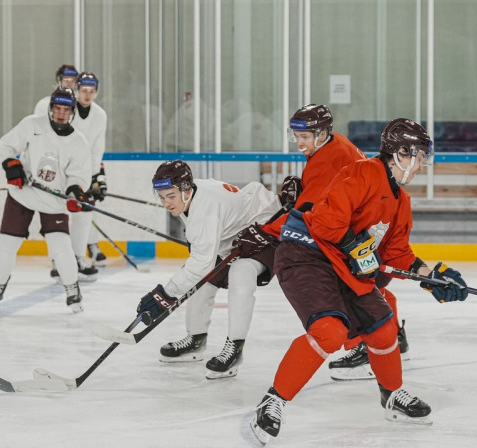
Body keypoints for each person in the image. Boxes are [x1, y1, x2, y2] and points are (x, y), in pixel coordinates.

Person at [250, 118, 469, 444]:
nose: (422, 165)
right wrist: (357, 248)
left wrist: (433, 276)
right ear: (400, 153)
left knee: (383, 325)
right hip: (307, 255)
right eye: (420, 156)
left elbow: (397, 254)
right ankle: (273, 401)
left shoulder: (402, 202)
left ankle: (392, 395)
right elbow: (325, 222)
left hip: (345, 266)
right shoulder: (363, 172)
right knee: (330, 330)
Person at [252, 104, 408, 381]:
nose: (300, 143)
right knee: (369, 287)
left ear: (323, 133)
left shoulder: (329, 157)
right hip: (366, 229)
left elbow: (309, 213)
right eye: (296, 136)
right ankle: (393, 335)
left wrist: (266, 231)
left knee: (356, 288)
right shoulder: (336, 146)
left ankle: (368, 346)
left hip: (356, 235)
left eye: (306, 136)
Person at [134, 160, 286, 380]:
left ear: (186, 190)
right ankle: (195, 340)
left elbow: (200, 264)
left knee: (240, 275)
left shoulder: (205, 209)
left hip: (265, 228)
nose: (166, 203)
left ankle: (235, 349)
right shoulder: (193, 194)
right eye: (162, 197)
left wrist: (164, 295)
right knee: (204, 282)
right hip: (236, 235)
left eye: (171, 196)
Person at [0, 86, 91, 313]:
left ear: (72, 111)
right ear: (51, 108)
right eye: (57, 108)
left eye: (66, 109)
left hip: (53, 201)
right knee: (7, 244)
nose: (61, 113)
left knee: (61, 247)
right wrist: (12, 166)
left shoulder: (79, 142)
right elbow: (6, 145)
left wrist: (75, 191)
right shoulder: (32, 124)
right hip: (23, 193)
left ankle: (72, 289)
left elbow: (79, 175)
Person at [50, 72, 108, 282]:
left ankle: (76, 259)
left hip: (83, 173)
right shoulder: (67, 110)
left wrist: (96, 177)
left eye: (92, 91)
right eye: (84, 90)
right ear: (77, 89)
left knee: (84, 215)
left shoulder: (100, 115)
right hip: (60, 172)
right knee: (58, 216)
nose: (87, 95)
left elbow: (97, 148)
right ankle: (58, 262)